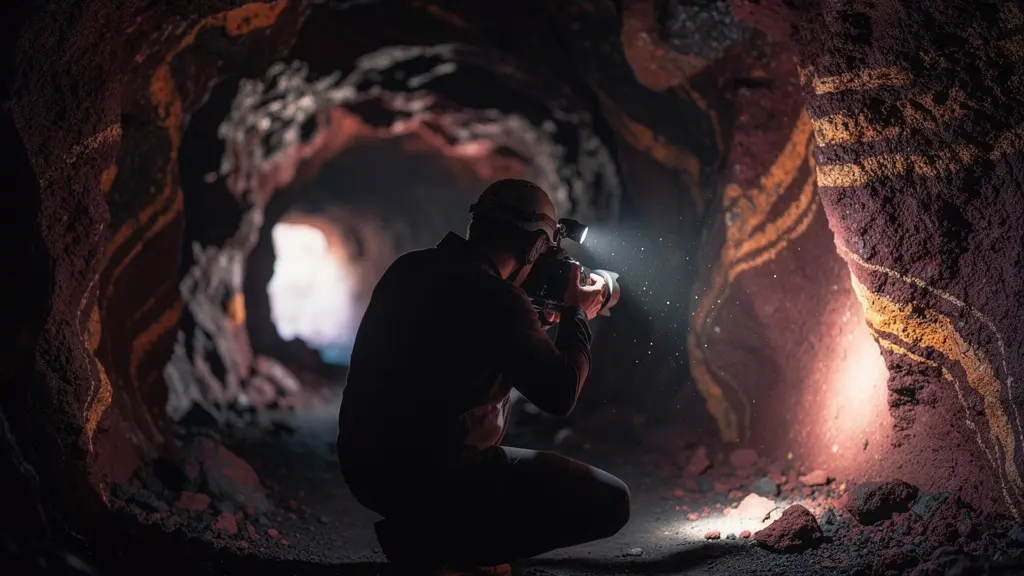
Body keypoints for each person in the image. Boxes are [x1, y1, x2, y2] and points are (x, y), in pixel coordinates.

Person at [336, 179, 631, 575]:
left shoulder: (409, 268)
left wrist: (541, 318)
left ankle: (428, 533)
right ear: (535, 247)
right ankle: (448, 550)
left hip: (367, 468)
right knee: (611, 501)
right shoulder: (500, 300)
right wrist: (577, 315)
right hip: (442, 475)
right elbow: (559, 394)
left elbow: (466, 340)